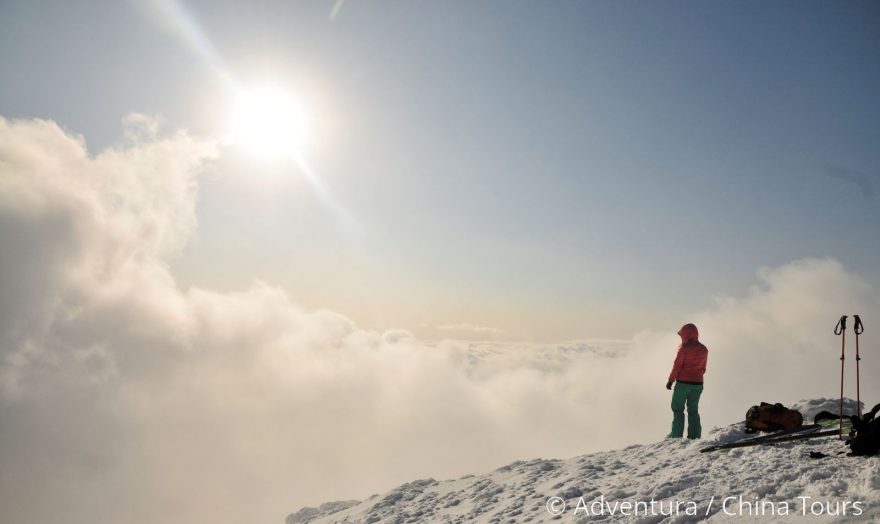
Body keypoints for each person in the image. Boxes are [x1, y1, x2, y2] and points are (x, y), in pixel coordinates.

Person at [665, 323, 708, 439]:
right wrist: (696, 377)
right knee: (693, 410)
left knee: (678, 409)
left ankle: (676, 436)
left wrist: (670, 380)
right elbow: (703, 368)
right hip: (698, 384)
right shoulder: (704, 349)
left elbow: (677, 366)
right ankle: (695, 436)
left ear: (686, 335)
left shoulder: (684, 348)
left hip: (683, 384)